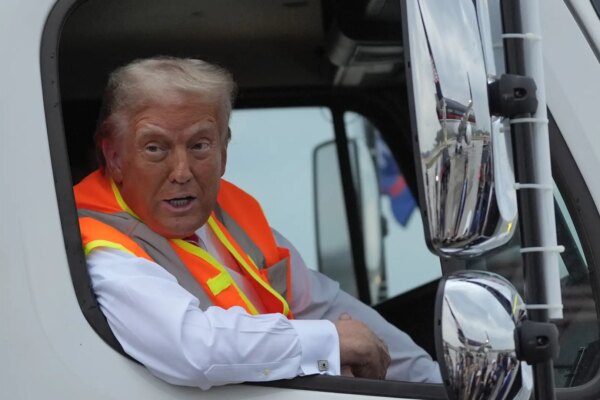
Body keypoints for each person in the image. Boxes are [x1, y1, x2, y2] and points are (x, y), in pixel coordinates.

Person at [74, 56, 441, 390]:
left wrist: (434, 383)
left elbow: (325, 305)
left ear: (224, 150)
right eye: (156, 148)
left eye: (200, 145)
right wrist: (328, 341)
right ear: (114, 156)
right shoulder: (101, 246)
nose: (182, 172)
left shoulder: (232, 217)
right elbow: (193, 349)